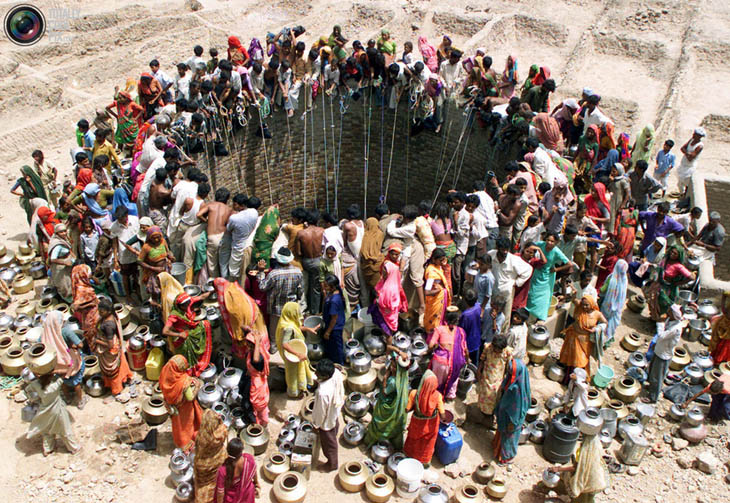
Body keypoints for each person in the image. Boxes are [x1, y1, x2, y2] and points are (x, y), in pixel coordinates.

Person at [257, 247, 303, 353]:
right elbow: (300, 290)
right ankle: (290, 347)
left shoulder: (274, 274)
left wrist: (261, 273)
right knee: (289, 328)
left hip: (276, 307)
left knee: (274, 330)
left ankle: (274, 347)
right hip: (291, 306)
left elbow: (262, 287)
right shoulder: (298, 272)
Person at [26, 372, 80, 456]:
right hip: (58, 410)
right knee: (65, 430)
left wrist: (35, 399)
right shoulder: (55, 385)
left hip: (44, 410)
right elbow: (65, 375)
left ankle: (48, 449)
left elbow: (28, 390)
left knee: (47, 430)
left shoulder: (35, 384)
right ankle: (73, 448)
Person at [41, 310, 86, 409]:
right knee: (75, 381)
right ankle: (80, 401)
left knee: (62, 381)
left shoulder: (44, 334)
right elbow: (80, 344)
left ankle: (68, 398)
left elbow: (41, 346)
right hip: (70, 362)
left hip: (56, 364)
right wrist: (73, 345)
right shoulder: (65, 331)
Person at [365, 354, 409, 448]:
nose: (390, 367)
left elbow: (385, 392)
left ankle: (378, 438)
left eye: (393, 366)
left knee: (379, 421)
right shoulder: (403, 377)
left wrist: (385, 379)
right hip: (394, 403)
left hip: (387, 404)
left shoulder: (393, 382)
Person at [160, 355, 203, 451]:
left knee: (177, 426)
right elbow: (190, 397)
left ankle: (179, 442)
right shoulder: (183, 382)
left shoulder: (165, 375)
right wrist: (196, 385)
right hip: (185, 409)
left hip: (173, 408)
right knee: (187, 426)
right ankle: (187, 443)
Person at [163, 292, 212, 377]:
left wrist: (213, 290)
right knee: (187, 357)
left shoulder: (188, 303)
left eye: (188, 304)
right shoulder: (174, 315)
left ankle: (197, 363)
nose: (187, 306)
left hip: (190, 331)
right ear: (180, 306)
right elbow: (165, 331)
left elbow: (202, 296)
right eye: (185, 306)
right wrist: (179, 334)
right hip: (182, 338)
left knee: (205, 324)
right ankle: (189, 372)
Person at [548, 433, 608, 502]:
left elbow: (575, 468)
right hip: (596, 480)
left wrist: (558, 469)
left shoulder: (583, 452)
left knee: (579, 496)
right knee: (589, 498)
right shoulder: (597, 446)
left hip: (586, 481)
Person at [492, 357, 530, 465]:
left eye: (510, 371)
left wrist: (513, 423)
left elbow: (517, 410)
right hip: (505, 414)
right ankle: (497, 450)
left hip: (511, 419)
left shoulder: (517, 390)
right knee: (501, 435)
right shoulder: (512, 380)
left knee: (508, 439)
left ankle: (506, 458)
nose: (508, 372)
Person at [403, 370, 446, 465]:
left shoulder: (414, 393)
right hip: (431, 425)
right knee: (427, 444)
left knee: (413, 440)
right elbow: (443, 416)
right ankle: (424, 461)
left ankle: (409, 456)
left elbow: (407, 409)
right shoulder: (438, 396)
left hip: (416, 424)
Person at [487, 237, 533, 328]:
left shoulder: (514, 260)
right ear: (497, 248)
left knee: (505, 316)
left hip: (506, 293)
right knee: (491, 313)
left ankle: (502, 336)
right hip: (493, 291)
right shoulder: (491, 255)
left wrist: (516, 283)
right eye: (502, 249)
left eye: (506, 250)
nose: (504, 252)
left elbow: (528, 269)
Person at [646, 304, 686, 402]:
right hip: (659, 350)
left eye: (670, 311)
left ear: (673, 314)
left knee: (657, 376)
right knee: (652, 371)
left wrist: (660, 323)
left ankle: (653, 397)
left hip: (663, 355)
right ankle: (652, 388)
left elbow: (661, 336)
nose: (667, 311)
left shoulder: (675, 328)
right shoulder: (670, 320)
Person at [559, 295, 606, 381]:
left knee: (581, 360)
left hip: (584, 341)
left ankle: (580, 378)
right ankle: (568, 378)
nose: (584, 307)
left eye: (586, 305)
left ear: (591, 304)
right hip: (573, 337)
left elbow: (605, 323)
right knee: (571, 356)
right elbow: (573, 299)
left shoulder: (597, 314)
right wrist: (573, 293)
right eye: (583, 304)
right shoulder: (579, 308)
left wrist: (596, 328)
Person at [526, 233, 571, 322]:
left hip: (547, 276)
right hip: (536, 272)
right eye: (548, 240)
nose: (549, 243)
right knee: (531, 293)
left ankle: (539, 315)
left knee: (543, 297)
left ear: (556, 242)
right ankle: (527, 312)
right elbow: (529, 246)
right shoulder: (540, 244)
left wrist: (557, 269)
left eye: (552, 241)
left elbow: (569, 264)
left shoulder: (556, 251)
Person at [643, 244, 694, 322]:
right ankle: (654, 317)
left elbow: (691, 277)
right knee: (653, 301)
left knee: (663, 305)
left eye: (675, 254)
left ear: (679, 256)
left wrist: (678, 283)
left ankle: (659, 321)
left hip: (667, 290)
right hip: (658, 285)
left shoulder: (678, 266)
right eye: (672, 252)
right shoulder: (666, 260)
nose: (672, 254)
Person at [94, 298, 133, 396]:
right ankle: (126, 379)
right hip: (114, 344)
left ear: (108, 311)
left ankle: (116, 391)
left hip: (110, 350)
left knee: (112, 371)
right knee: (120, 364)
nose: (99, 313)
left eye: (101, 312)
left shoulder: (108, 325)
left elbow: (110, 345)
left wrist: (96, 340)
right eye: (99, 311)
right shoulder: (111, 317)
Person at [276, 301, 315, 398]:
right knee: (292, 375)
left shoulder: (286, 321)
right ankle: (293, 393)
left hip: (294, 351)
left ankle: (300, 388)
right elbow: (284, 344)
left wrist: (308, 329)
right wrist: (298, 354)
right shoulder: (288, 328)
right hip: (292, 356)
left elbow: (297, 328)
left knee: (298, 372)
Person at [312, 359, 345, 472]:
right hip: (334, 410)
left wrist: (316, 425)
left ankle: (331, 464)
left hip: (326, 420)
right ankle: (334, 433)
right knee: (334, 423)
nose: (315, 374)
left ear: (325, 376)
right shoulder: (335, 372)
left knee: (329, 443)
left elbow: (321, 413)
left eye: (318, 373)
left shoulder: (323, 393)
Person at [428, 309, 468, 400]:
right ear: (457, 320)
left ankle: (436, 397)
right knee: (453, 379)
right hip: (455, 363)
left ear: (446, 319)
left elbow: (430, 345)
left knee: (437, 381)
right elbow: (465, 350)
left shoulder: (439, 329)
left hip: (440, 362)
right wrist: (468, 359)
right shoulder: (461, 332)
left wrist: (435, 347)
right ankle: (450, 396)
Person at [369, 242, 408, 336]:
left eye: (397, 254)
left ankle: (389, 332)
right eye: (392, 253)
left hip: (393, 291)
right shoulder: (387, 265)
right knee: (386, 313)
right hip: (387, 292)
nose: (394, 256)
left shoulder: (396, 264)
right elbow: (384, 279)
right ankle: (388, 333)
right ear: (388, 253)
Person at [476, 334, 513, 428]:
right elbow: (482, 359)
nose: (497, 351)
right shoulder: (488, 348)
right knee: (484, 396)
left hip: (498, 380)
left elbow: (509, 367)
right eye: (496, 348)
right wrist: (479, 371)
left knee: (495, 399)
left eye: (499, 349)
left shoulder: (507, 352)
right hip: (486, 377)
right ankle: (485, 415)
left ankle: (491, 416)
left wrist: (508, 381)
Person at [194, 409, 228, 503]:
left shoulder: (200, 435)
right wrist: (220, 420)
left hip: (202, 464)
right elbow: (225, 430)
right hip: (217, 461)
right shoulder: (219, 435)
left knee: (202, 484)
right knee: (215, 482)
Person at [215, 438, 260, 503]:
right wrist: (256, 483)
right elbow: (254, 471)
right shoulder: (249, 459)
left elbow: (220, 493)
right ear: (241, 451)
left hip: (231, 499)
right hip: (247, 494)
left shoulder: (222, 469)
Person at [138, 226, 174, 300]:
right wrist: (153, 268)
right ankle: (156, 306)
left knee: (166, 289)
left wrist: (170, 257)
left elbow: (168, 251)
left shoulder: (163, 241)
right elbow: (139, 261)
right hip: (154, 272)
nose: (156, 239)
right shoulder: (146, 247)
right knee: (156, 292)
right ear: (149, 238)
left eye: (158, 237)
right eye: (153, 238)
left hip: (165, 269)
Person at [598, 259, 628, 345]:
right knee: (611, 324)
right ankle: (608, 339)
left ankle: (600, 340)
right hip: (617, 308)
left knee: (603, 321)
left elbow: (602, 290)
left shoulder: (611, 278)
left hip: (607, 306)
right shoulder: (625, 280)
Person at [70, 264, 100, 346]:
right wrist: (91, 304)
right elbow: (75, 307)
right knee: (96, 337)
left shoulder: (77, 284)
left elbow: (98, 283)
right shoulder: (84, 290)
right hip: (91, 319)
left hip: (86, 319)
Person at [423, 248, 451, 334]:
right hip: (436, 301)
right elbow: (427, 292)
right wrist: (439, 290)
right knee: (434, 321)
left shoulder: (438, 267)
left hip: (441, 299)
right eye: (441, 260)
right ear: (434, 259)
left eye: (444, 259)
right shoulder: (431, 272)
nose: (443, 262)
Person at [321, 274, 347, 364]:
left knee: (336, 348)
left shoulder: (334, 301)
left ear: (332, 287)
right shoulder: (334, 294)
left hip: (334, 328)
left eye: (326, 285)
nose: (324, 286)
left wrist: (328, 332)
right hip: (333, 326)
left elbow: (334, 318)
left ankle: (340, 365)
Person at [48, 224, 76, 303]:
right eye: (61, 232)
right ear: (57, 234)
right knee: (65, 284)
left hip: (67, 263)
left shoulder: (63, 240)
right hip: (60, 267)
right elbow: (53, 259)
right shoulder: (57, 245)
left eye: (64, 231)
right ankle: (68, 301)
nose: (64, 233)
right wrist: (64, 262)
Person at [359, 216, 385, 300]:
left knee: (370, 290)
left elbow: (363, 252)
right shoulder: (380, 234)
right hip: (377, 266)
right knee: (379, 289)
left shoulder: (364, 235)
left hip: (366, 267)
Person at [677, 127, 705, 197]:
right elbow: (682, 148)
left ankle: (685, 197)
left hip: (690, 167)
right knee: (680, 182)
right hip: (684, 164)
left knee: (687, 183)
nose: (693, 134)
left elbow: (691, 158)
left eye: (695, 134)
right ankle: (682, 195)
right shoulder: (691, 140)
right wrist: (688, 153)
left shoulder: (700, 146)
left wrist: (687, 153)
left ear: (699, 136)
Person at [459, 289, 482, 364]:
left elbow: (462, 330)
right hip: (477, 339)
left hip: (468, 343)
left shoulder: (465, 315)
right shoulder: (478, 306)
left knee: (467, 363)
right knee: (475, 362)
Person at [709, 291, 730, 364]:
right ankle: (717, 360)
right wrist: (724, 310)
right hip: (726, 322)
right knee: (720, 342)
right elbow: (725, 294)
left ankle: (720, 361)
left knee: (725, 345)